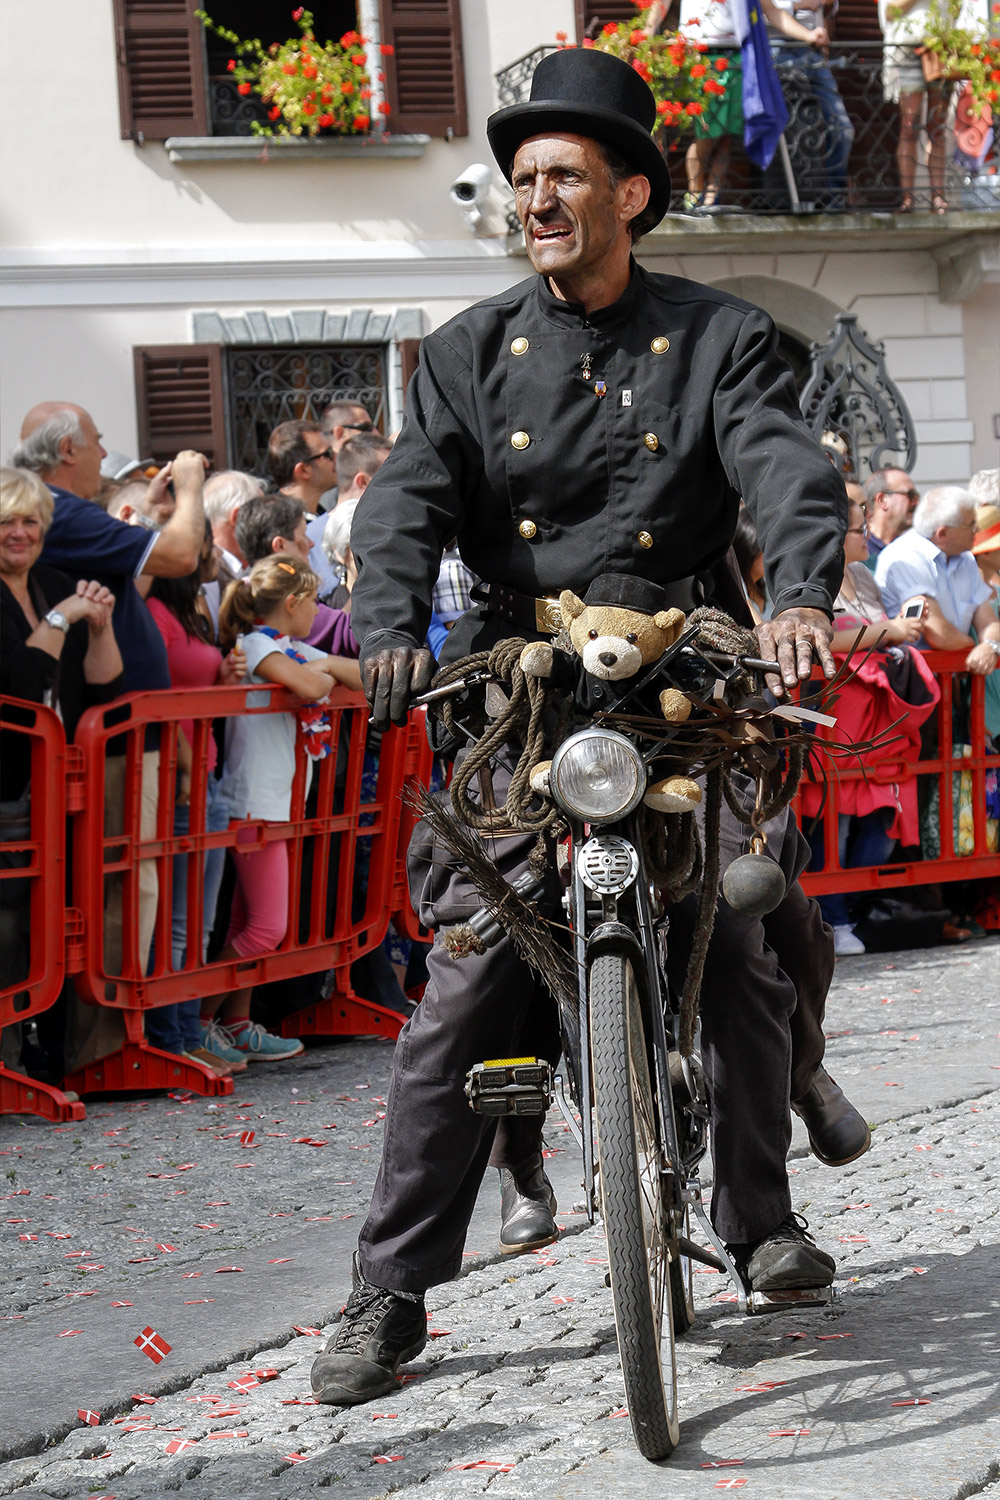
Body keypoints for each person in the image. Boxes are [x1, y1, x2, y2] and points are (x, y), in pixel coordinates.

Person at [309, 46, 865, 1408]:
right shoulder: (466, 352)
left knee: (735, 932)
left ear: (631, 191)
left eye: (563, 175)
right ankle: (389, 1291)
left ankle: (761, 1222)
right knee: (473, 976)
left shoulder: (725, 336)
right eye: (522, 180)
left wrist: (799, 599)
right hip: (522, 688)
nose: (536, 198)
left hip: (683, 673)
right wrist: (389, 632)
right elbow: (404, 506)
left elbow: (785, 468)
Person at [12, 404, 206, 1070]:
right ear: (69, 447)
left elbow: (135, 577)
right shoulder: (59, 510)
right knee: (123, 887)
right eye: (96, 444)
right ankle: (104, 1048)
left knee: (137, 883)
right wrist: (191, 490)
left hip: (123, 733)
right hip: (108, 740)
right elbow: (181, 557)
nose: (103, 455)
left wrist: (150, 518)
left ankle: (117, 1039)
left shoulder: (65, 514)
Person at [198, 555, 359, 1065]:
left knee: (250, 922)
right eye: (313, 600)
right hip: (254, 807)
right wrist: (328, 667)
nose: (319, 610)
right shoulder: (257, 644)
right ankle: (197, 1023)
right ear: (291, 603)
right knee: (265, 928)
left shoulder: (283, 644)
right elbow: (316, 685)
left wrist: (330, 665)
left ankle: (237, 1024)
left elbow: (357, 677)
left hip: (276, 805)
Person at [1, 467, 122, 1074]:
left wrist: (96, 626)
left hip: (60, 784)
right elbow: (19, 684)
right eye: (6, 523)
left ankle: (50, 1057)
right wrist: (61, 618)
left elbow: (104, 685)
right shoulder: (43, 597)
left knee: (57, 918)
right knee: (6, 922)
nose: (18, 534)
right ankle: (7, 1060)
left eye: (29, 522)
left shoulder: (51, 582)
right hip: (9, 785)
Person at [800, 491, 933, 955]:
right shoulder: (811, 577)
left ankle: (845, 914)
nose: (867, 537)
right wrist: (890, 631)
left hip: (877, 724)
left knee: (880, 822)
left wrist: (898, 633)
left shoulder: (862, 575)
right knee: (830, 821)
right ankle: (831, 920)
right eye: (859, 530)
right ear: (837, 538)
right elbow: (823, 637)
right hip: (833, 722)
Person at [145, 523, 247, 1075]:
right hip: (177, 781)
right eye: (203, 547)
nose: (209, 553)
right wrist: (185, 764)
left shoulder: (194, 613)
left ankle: (186, 1031)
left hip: (201, 775)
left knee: (200, 916)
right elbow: (158, 695)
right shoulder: (159, 617)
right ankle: (172, 1035)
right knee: (180, 917)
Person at [670, 0, 828, 210]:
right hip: (703, 56)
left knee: (725, 137)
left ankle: (712, 199)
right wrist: (650, 30)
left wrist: (808, 35)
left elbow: (773, 12)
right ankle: (695, 196)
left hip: (737, 56)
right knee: (707, 133)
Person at [875, 486, 1000, 672]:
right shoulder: (905, 556)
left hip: (947, 683)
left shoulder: (965, 558)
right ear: (942, 534)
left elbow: (989, 621)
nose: (977, 530)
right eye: (971, 525)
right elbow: (940, 635)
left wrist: (990, 646)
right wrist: (974, 645)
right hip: (910, 685)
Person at [235, 493, 362, 671]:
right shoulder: (279, 600)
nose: (310, 544)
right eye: (303, 535)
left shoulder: (258, 591)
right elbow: (354, 635)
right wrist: (368, 568)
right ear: (280, 546)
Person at [878, 0, 950, 212]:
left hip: (941, 48)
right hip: (907, 48)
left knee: (937, 127)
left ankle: (938, 198)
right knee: (909, 126)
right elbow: (890, 12)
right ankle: (907, 199)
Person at [308, 432, 392, 603]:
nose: (398, 488)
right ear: (362, 482)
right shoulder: (306, 542)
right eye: (389, 477)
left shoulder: (392, 530)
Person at [201, 469, 265, 635]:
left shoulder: (236, 569)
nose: (268, 524)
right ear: (237, 518)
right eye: (262, 515)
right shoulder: (208, 575)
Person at [862, 467, 919, 567]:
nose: (916, 503)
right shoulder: (860, 548)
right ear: (882, 500)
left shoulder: (915, 548)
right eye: (910, 495)